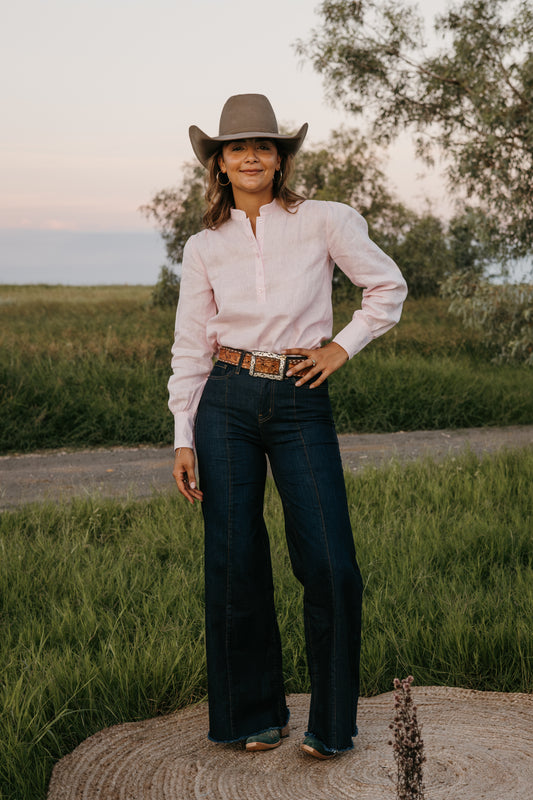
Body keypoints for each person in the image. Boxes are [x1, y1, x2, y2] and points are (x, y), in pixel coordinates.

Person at [169, 94, 407, 759]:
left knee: (330, 563)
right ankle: (253, 716)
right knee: (233, 561)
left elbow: (384, 288)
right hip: (223, 401)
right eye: (236, 147)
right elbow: (190, 346)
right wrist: (182, 436)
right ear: (219, 162)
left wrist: (340, 347)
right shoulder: (203, 244)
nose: (250, 155)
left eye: (263, 146)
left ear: (280, 159)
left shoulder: (324, 220)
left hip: (299, 396)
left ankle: (332, 725)